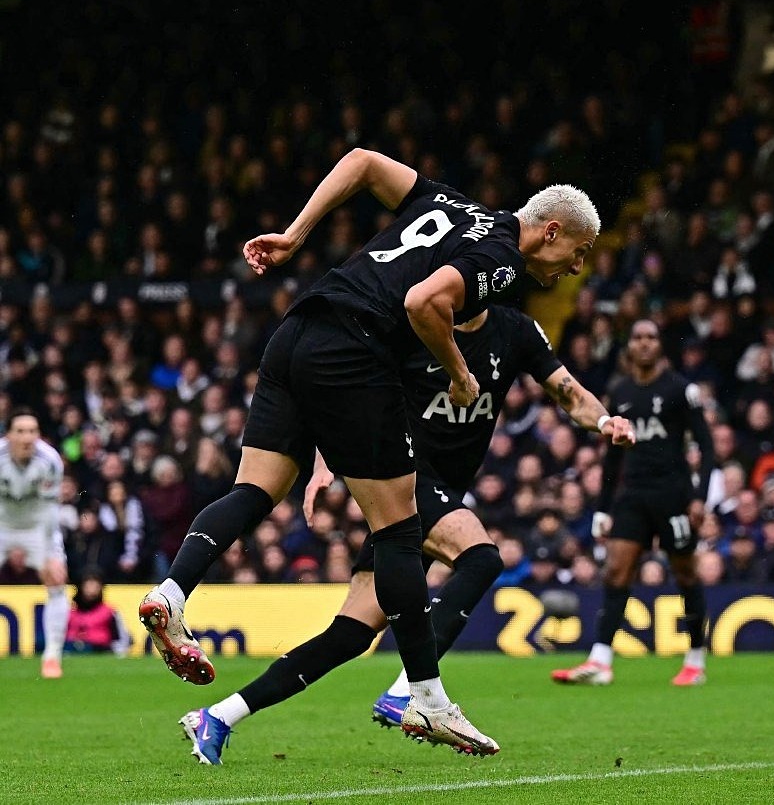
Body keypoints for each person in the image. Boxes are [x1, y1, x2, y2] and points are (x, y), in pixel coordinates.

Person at [136, 147, 600, 754]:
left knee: (253, 492)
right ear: (553, 230)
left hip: (298, 331)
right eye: (579, 254)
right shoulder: (501, 257)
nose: (575, 268)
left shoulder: (451, 202)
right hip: (354, 351)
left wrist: (296, 236)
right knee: (400, 533)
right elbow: (421, 302)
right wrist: (458, 372)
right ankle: (425, 696)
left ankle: (172, 596)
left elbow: (361, 161)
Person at [175, 303, 634, 765]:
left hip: (425, 500)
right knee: (482, 558)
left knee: (349, 636)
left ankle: (218, 716)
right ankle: (409, 693)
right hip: (404, 477)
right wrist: (322, 464)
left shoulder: (516, 330)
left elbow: (569, 391)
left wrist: (603, 421)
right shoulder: (415, 326)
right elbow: (348, 398)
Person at [552, 318, 717, 686]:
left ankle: (695, 659)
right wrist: (602, 508)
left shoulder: (680, 390)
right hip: (633, 495)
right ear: (629, 346)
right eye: (638, 338)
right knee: (615, 572)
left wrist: (699, 498)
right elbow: (612, 457)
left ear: (660, 345)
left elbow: (706, 447)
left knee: (686, 573)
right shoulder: (620, 391)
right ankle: (600, 661)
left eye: (651, 338)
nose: (644, 344)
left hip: (673, 495)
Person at [0, 411, 69, 678]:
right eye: (21, 431)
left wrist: (46, 552)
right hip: (2, 524)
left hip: (37, 527)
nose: (27, 437)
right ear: (9, 435)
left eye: (32, 431)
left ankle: (52, 656)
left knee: (56, 579)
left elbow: (49, 509)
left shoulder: (50, 461)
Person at [64, 570, 132, 656]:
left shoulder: (109, 612)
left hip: (101, 651)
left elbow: (122, 640)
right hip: (71, 651)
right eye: (88, 585)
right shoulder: (69, 612)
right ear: (80, 587)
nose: (92, 590)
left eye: (95, 586)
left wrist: (113, 652)